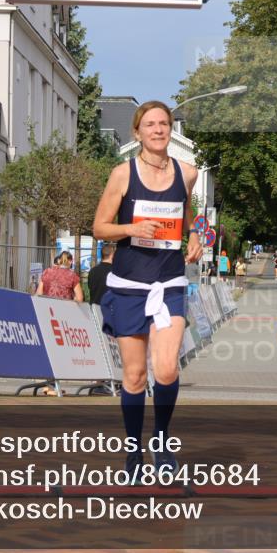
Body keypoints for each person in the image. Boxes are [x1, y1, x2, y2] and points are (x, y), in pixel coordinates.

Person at [92, 100, 202, 480]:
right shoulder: (123, 174)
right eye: (150, 124)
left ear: (171, 130)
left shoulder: (187, 173)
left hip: (169, 281)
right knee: (136, 376)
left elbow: (188, 217)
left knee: (167, 368)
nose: (158, 130)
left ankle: (161, 440)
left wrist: (196, 237)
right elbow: (100, 227)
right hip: (128, 284)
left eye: (164, 124)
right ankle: (133, 450)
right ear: (137, 132)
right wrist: (131, 230)